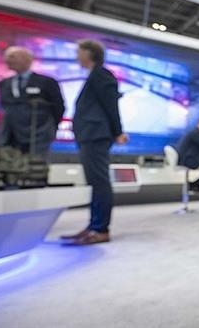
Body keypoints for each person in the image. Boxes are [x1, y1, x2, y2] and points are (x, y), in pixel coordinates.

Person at [61, 39, 127, 246]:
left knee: (99, 182)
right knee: (95, 183)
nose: (76, 56)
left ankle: (100, 229)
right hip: (90, 135)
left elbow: (111, 104)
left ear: (89, 53)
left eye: (79, 52)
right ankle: (93, 226)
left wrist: (118, 131)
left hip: (96, 135)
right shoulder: (95, 75)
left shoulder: (101, 75)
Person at [0, 46, 65, 157]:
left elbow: (58, 107)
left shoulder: (46, 82)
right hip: (12, 135)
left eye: (12, 57)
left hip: (38, 134)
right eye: (6, 57)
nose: (7, 60)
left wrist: (50, 127)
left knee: (36, 164)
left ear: (27, 59)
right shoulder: (4, 83)